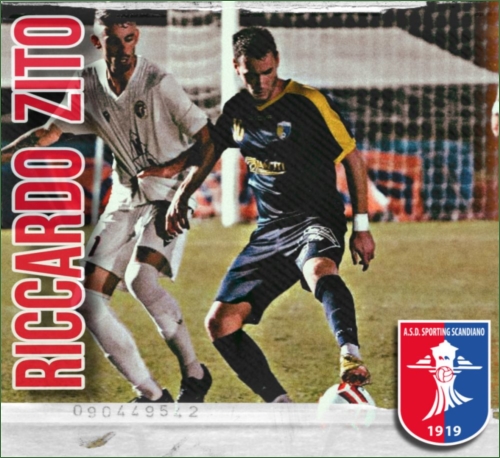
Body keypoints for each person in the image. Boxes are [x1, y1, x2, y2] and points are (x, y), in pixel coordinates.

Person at [2, 10, 218, 403]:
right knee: (88, 302)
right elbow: (49, 132)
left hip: (168, 196)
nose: (123, 48)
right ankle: (150, 393)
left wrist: (172, 171)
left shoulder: (159, 83)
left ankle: (194, 373)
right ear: (98, 42)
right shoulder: (86, 83)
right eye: (114, 41)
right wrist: (6, 152)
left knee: (142, 281)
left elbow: (208, 141)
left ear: (137, 37)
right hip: (124, 196)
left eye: (129, 38)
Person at [168, 26, 376, 403]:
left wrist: (361, 228)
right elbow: (209, 152)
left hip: (316, 217)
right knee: (220, 323)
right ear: (237, 67)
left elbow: (353, 159)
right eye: (251, 75)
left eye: (267, 72)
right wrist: (182, 194)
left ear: (276, 62)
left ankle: (350, 355)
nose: (261, 82)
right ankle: (281, 406)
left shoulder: (308, 102)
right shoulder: (237, 110)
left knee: (318, 270)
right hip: (270, 230)